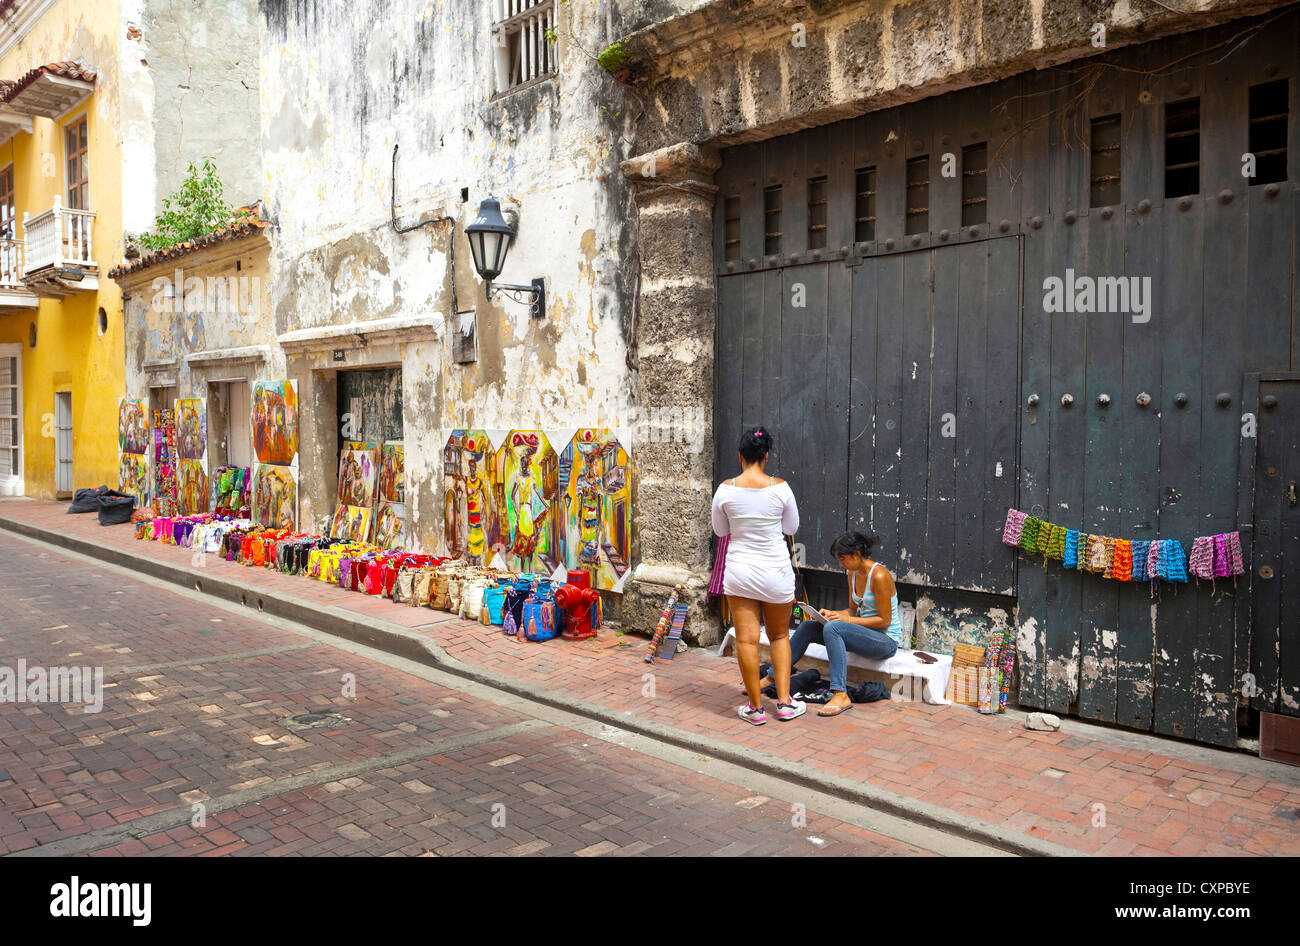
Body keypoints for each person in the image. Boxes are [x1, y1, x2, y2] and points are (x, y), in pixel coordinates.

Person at [711, 426, 805, 725]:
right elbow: (790, 528)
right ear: (766, 456)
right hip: (776, 572)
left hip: (740, 573)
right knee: (779, 636)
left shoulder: (726, 489)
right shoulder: (781, 488)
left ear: (740, 456)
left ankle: (755, 708)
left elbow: (720, 531)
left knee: (747, 641)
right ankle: (785, 704)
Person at [783, 531, 903, 717]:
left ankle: (840, 694)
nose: (840, 564)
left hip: (885, 641)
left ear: (856, 555)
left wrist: (845, 620)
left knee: (834, 628)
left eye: (842, 559)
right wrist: (834, 614)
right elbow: (852, 610)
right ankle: (773, 676)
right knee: (808, 627)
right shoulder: (852, 574)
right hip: (862, 634)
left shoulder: (879, 576)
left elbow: (884, 620)